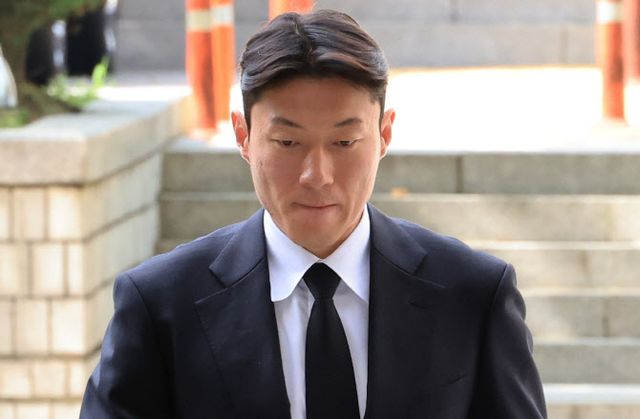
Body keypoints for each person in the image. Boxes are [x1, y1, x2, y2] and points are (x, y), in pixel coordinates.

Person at [80, 9, 547, 419]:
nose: (316, 175)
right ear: (243, 136)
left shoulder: (473, 295)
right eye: (288, 142)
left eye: (344, 142)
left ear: (384, 134)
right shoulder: (161, 304)